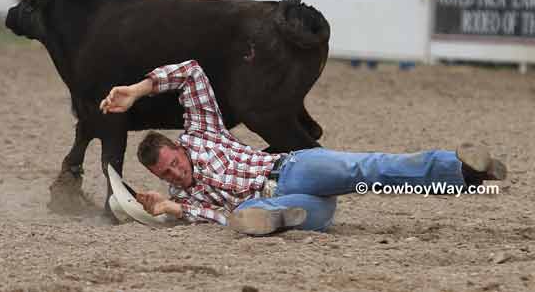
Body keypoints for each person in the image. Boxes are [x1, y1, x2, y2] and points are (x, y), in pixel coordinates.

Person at [99, 60, 507, 236]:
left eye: (172, 163)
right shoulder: (186, 198)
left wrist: (137, 91)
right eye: (165, 175)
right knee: (243, 215)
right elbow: (212, 217)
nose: (174, 174)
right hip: (303, 207)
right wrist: (171, 208)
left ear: (180, 149)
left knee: (369, 173)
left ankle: (466, 173)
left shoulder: (202, 134)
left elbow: (190, 73)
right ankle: (278, 218)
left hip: (289, 171)